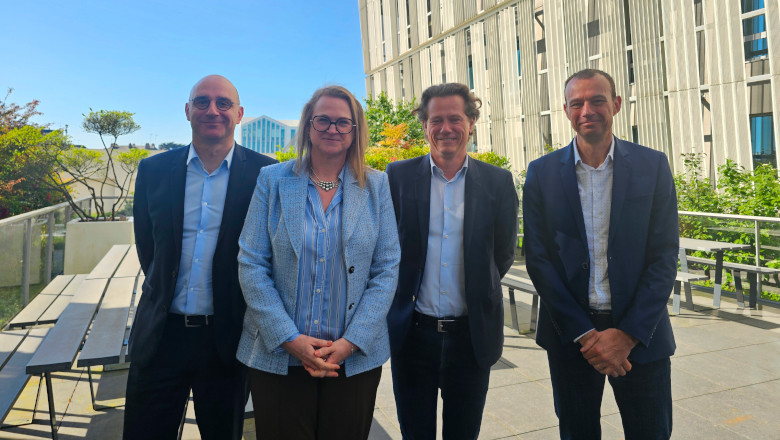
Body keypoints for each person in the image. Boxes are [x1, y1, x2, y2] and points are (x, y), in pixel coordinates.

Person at [236, 85, 400, 439]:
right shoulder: (272, 180)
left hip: (352, 359)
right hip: (279, 356)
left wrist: (351, 342)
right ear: (308, 125)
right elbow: (251, 263)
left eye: (343, 122)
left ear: (355, 131)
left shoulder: (377, 185)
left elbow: (387, 269)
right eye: (322, 120)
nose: (332, 129)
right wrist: (289, 338)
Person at [523, 69, 679, 439]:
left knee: (651, 433)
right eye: (576, 103)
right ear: (566, 110)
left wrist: (627, 335)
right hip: (571, 336)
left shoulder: (652, 165)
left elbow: (664, 255)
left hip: (641, 333)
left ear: (616, 104)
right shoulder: (542, 173)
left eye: (597, 100)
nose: (586, 110)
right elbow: (539, 259)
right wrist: (584, 333)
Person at [125, 75, 276, 439]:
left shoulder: (266, 175)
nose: (212, 110)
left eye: (223, 103)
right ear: (187, 110)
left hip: (228, 340)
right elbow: (148, 249)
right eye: (202, 102)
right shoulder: (153, 170)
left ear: (239, 114)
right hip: (161, 337)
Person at [385, 83, 519, 440]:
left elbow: (502, 254)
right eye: (436, 120)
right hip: (412, 337)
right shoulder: (397, 177)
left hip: (471, 339)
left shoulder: (498, 182)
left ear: (471, 123)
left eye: (455, 119)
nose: (446, 128)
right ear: (424, 125)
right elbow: (386, 249)